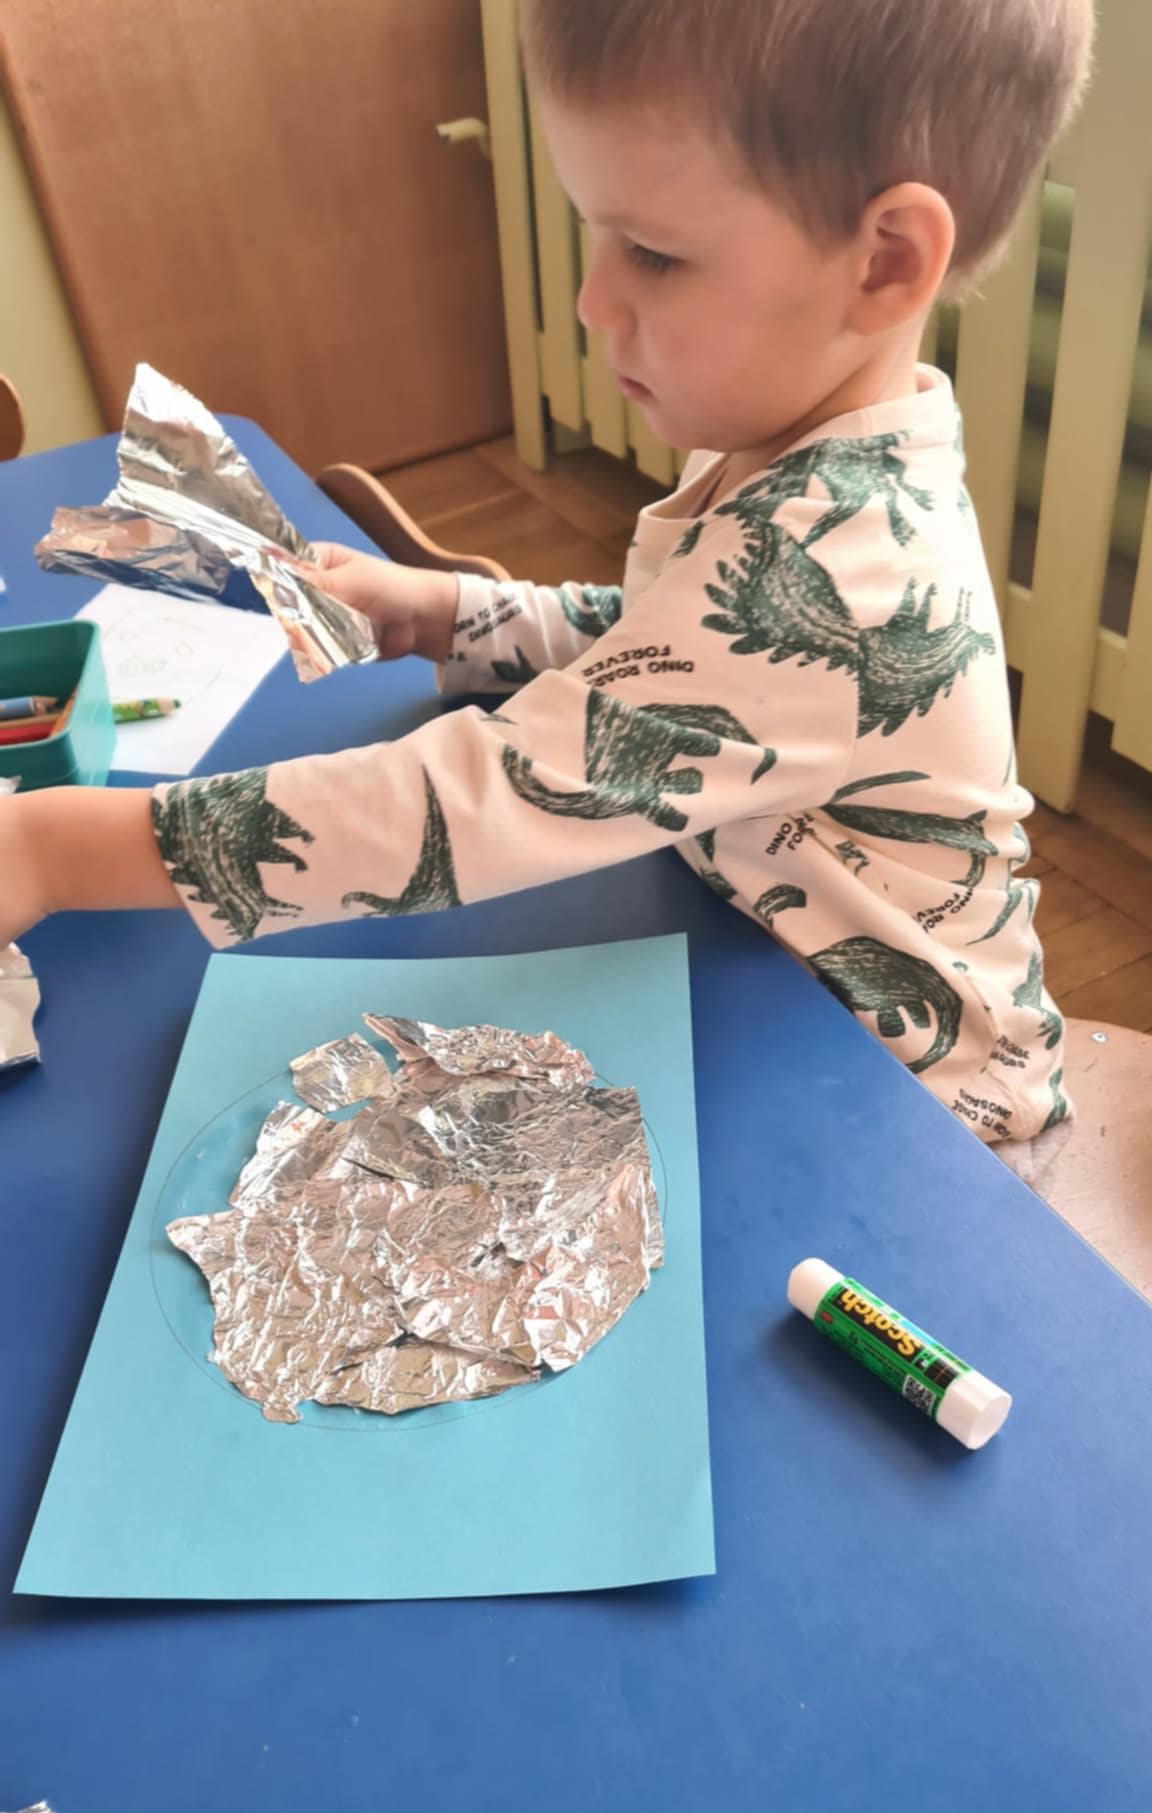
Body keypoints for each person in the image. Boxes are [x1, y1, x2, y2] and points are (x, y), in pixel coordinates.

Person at [0, 0, 1093, 1142]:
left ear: (886, 261)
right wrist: (452, 613)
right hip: (763, 984)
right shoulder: (810, 455)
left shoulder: (848, 565)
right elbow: (665, 650)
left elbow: (468, 805)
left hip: (929, 1114)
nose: (590, 300)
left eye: (654, 252)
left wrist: (49, 850)